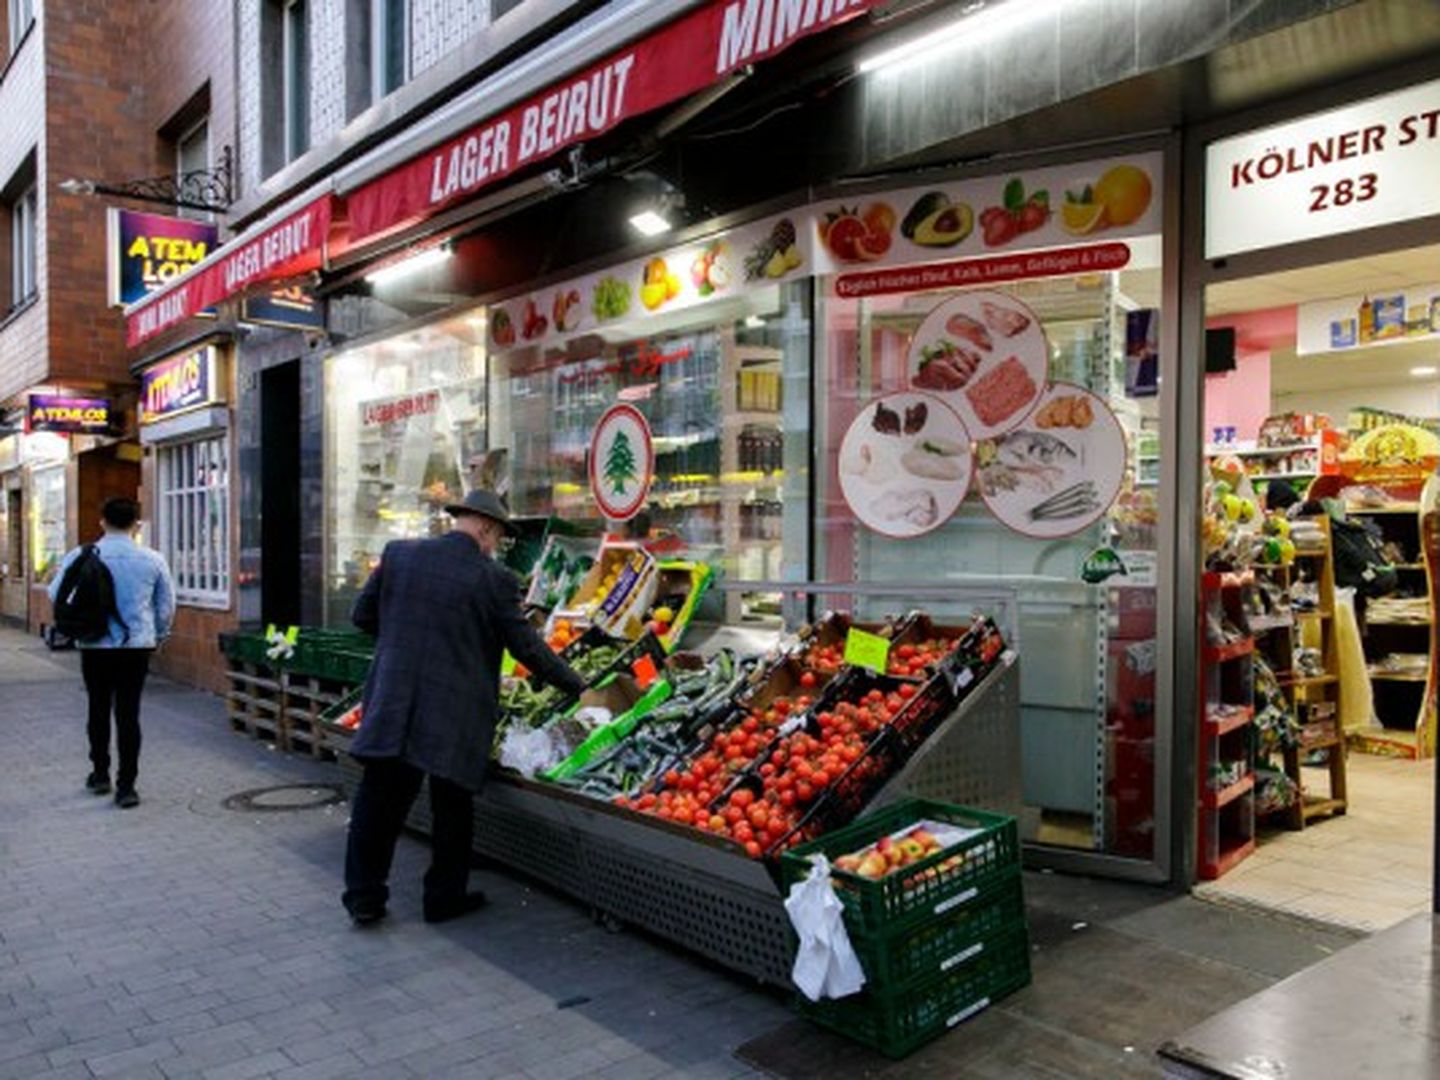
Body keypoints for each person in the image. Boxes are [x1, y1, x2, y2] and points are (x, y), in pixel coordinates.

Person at [342, 490, 586, 926]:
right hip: (454, 710)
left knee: (378, 801)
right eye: (497, 538)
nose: (496, 547)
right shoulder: (493, 579)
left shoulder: (399, 555)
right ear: (486, 528)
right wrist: (576, 684)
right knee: (452, 807)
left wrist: (405, 641)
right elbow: (526, 647)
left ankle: (364, 897)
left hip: (395, 700)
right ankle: (442, 898)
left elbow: (362, 616)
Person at [48, 496, 175, 809]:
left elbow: (56, 594)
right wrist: (158, 635)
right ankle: (127, 787)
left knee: (98, 708)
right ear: (136, 524)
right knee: (128, 714)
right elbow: (166, 606)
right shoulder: (153, 559)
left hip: (94, 645)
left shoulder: (82, 555)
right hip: (135, 646)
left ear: (102, 521)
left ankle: (100, 773)